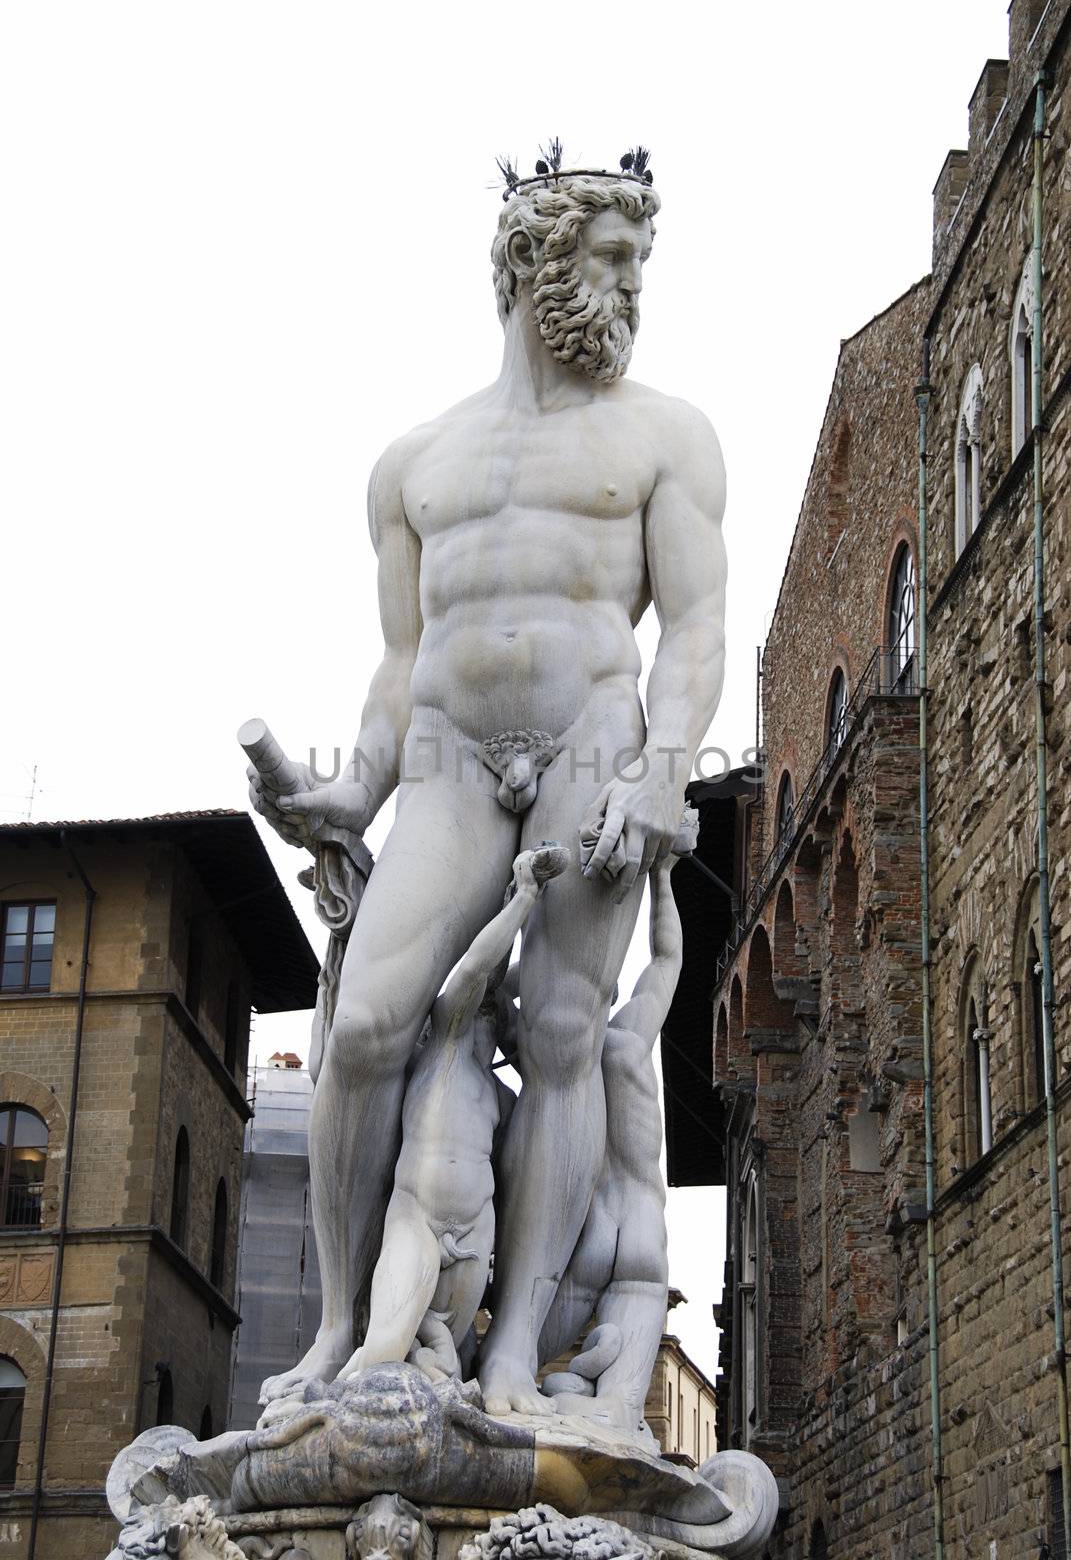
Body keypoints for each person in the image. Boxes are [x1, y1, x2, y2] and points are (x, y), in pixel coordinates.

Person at [249, 155, 726, 1415]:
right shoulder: (414, 463)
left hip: (590, 745)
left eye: (640, 262)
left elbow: (694, 631)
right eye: (613, 258)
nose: (634, 286)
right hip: (455, 760)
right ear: (534, 261)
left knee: (564, 1034)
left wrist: (660, 772)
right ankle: (347, 1327)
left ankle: (514, 1346)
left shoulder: (666, 435)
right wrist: (352, 792)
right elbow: (401, 663)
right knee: (362, 1024)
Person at [340, 844, 567, 1384]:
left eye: (497, 1012)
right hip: (416, 1220)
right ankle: (330, 1399)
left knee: (446, 1364)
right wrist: (522, 900)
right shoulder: (440, 1049)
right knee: (387, 1347)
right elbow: (471, 974)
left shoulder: (500, 1097)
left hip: (474, 1231)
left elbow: (525, 1175)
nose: (488, 1014)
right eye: (486, 1006)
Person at [538, 847, 686, 1429]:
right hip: (643, 1228)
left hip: (590, 1229)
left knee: (514, 1369)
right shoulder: (628, 1042)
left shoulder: (556, 1050)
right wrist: (663, 873)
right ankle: (589, 1397)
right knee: (621, 1414)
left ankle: (546, 1389)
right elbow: (668, 958)